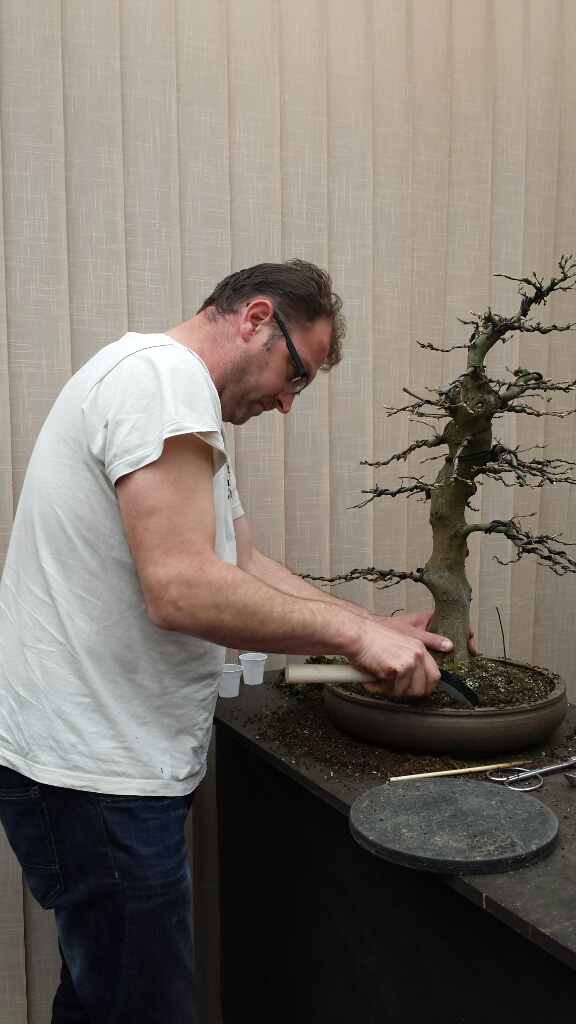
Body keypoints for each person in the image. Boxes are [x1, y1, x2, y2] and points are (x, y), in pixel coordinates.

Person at [0, 260, 455, 1024]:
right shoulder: (161, 381)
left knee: (100, 996)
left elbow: (242, 563)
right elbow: (181, 587)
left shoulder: (181, 404)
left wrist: (371, 628)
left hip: (103, 767)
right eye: (296, 374)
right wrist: (353, 634)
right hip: (96, 774)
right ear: (255, 319)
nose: (287, 401)